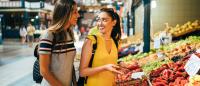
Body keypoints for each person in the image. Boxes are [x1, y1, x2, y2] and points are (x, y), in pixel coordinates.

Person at [39, 0, 80, 86]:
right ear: (65, 13)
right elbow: (44, 71)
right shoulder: (49, 35)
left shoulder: (69, 33)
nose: (78, 15)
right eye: (75, 12)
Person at [79, 8, 123, 86]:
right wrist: (105, 68)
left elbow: (108, 63)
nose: (100, 23)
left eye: (104, 20)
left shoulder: (115, 42)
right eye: (99, 20)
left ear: (114, 22)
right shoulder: (91, 41)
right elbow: (82, 72)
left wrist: (119, 65)